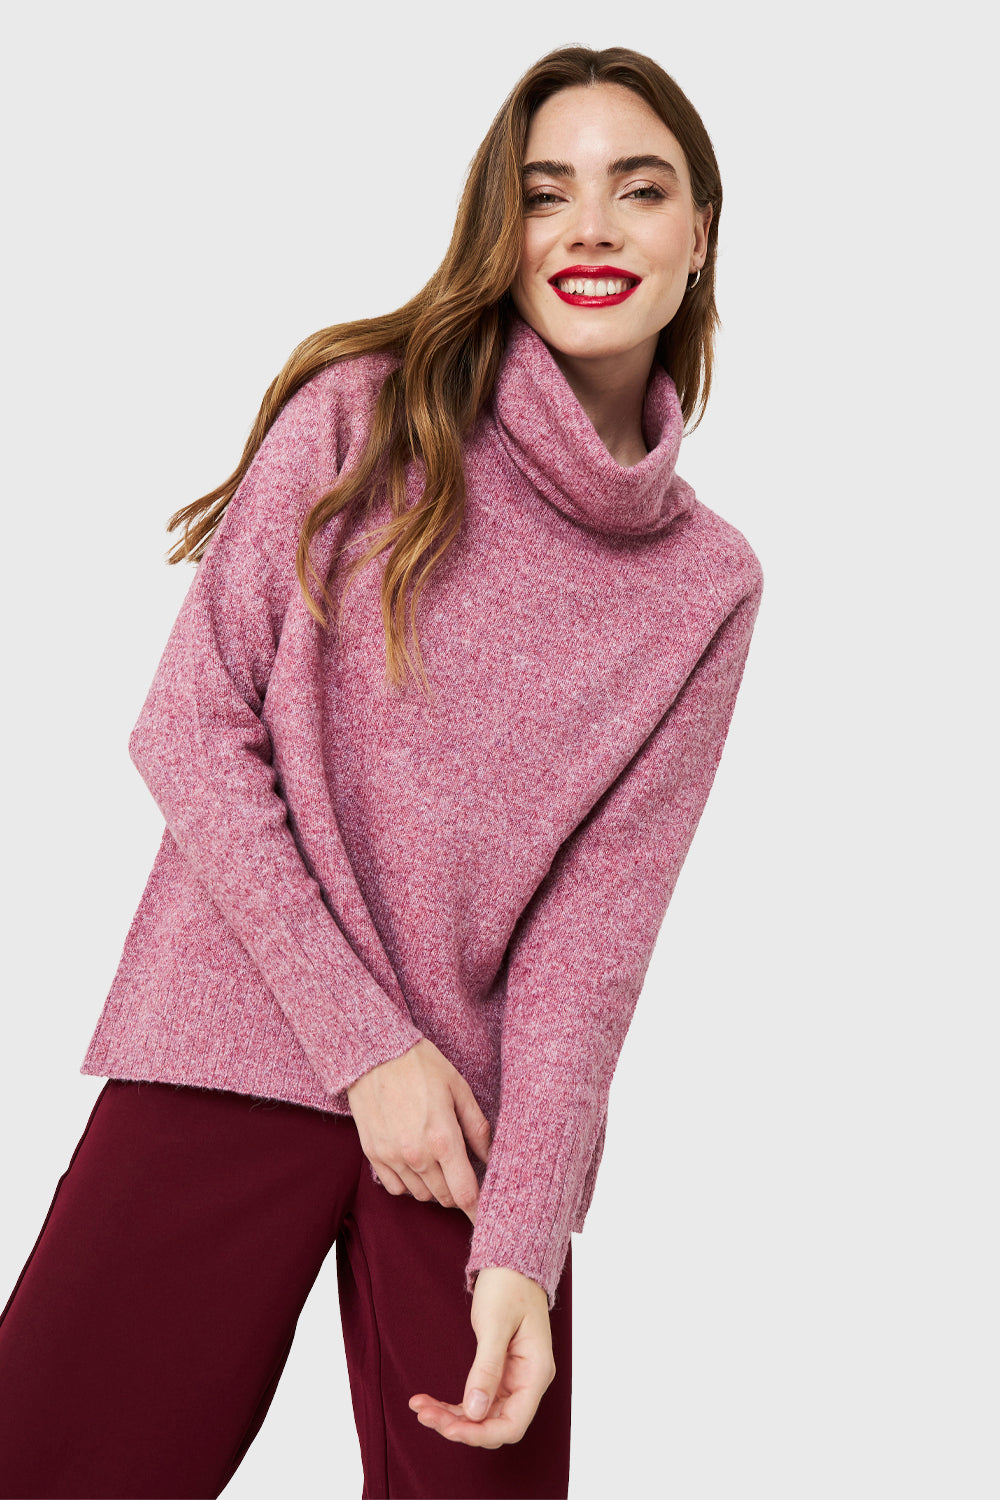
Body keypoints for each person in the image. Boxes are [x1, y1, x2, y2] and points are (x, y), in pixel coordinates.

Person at [0, 41, 763, 1500]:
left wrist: (526, 1240)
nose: (591, 227)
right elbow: (189, 727)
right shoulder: (368, 416)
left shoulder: (707, 585)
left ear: (699, 235)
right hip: (239, 1032)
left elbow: (594, 937)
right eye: (546, 193)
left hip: (470, 1141)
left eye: (639, 188)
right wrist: (368, 1051)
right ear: (503, 230)